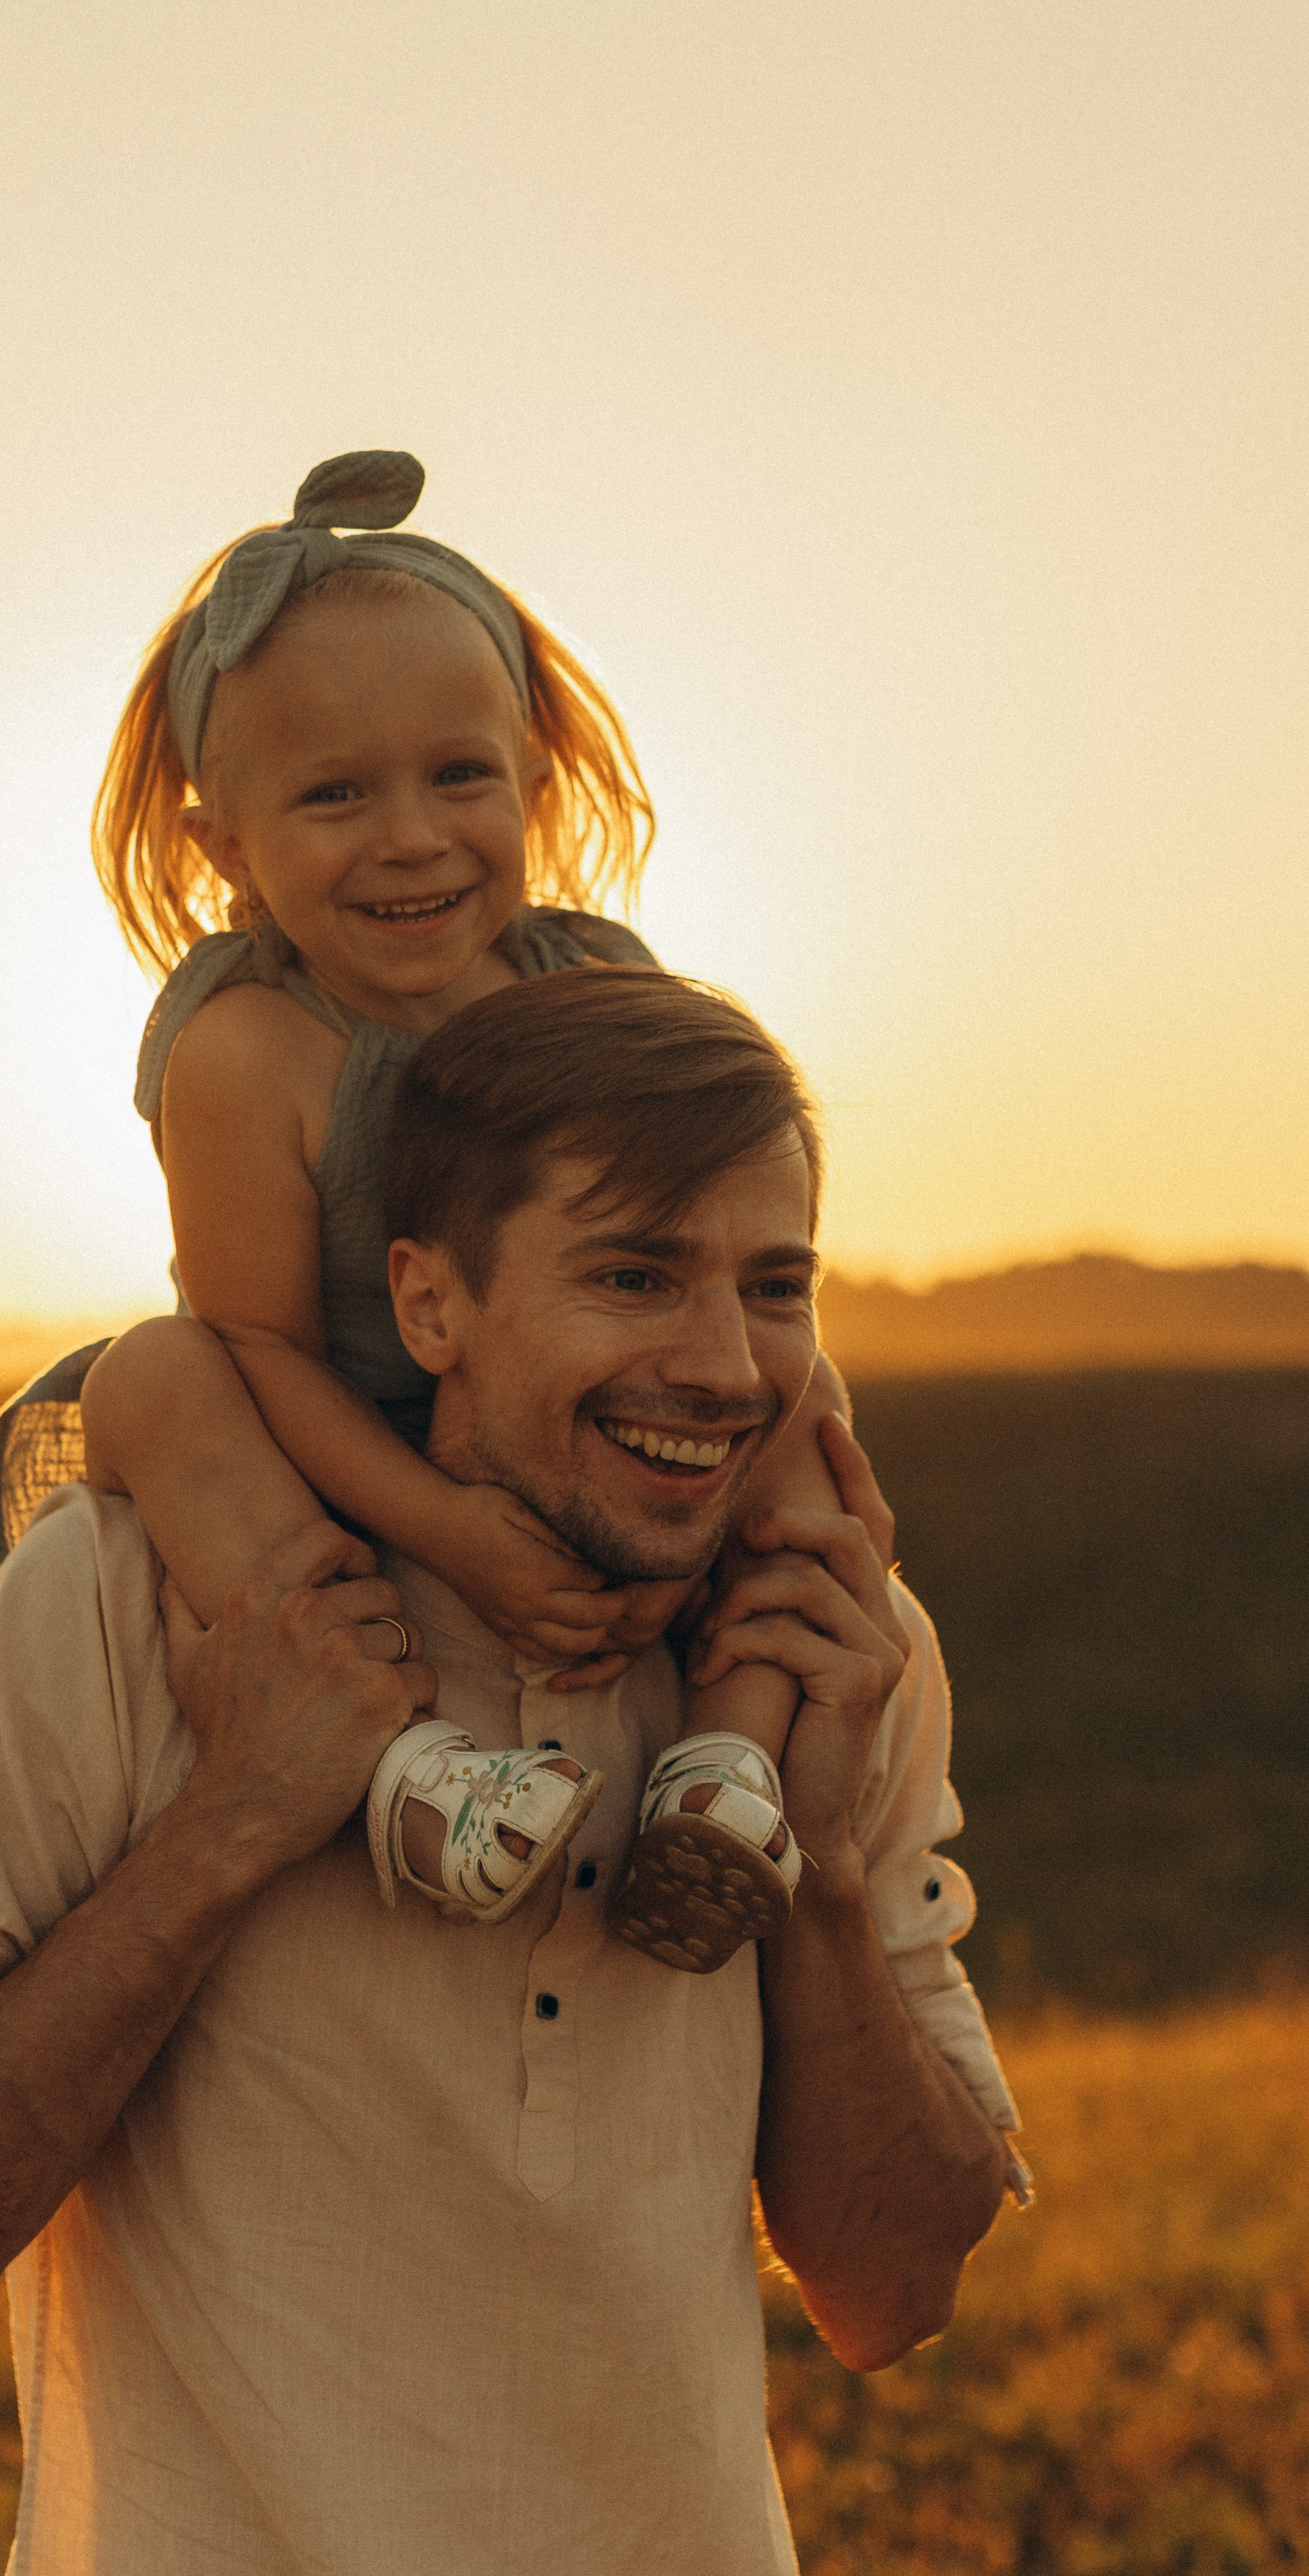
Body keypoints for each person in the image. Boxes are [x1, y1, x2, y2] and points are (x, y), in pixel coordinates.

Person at [0, 969, 1023, 2576]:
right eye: (633, 1276)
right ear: (430, 1307)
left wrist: (820, 1868)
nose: (723, 1364)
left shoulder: (827, 1650)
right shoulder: (116, 1608)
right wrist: (231, 1824)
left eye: (775, 1289)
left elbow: (893, 2292)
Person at [77, 446, 836, 1972]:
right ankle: (409, 1770)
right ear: (226, 847)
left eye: (458, 776)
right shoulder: (248, 1049)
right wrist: (453, 1534)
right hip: (334, 1443)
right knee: (150, 1382)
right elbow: (262, 1352)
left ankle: (725, 1769)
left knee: (778, 1356)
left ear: (535, 790)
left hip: (576, 1403)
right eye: (334, 794)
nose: (411, 836)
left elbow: (701, 1263)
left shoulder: (594, 988)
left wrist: (751, 1493)